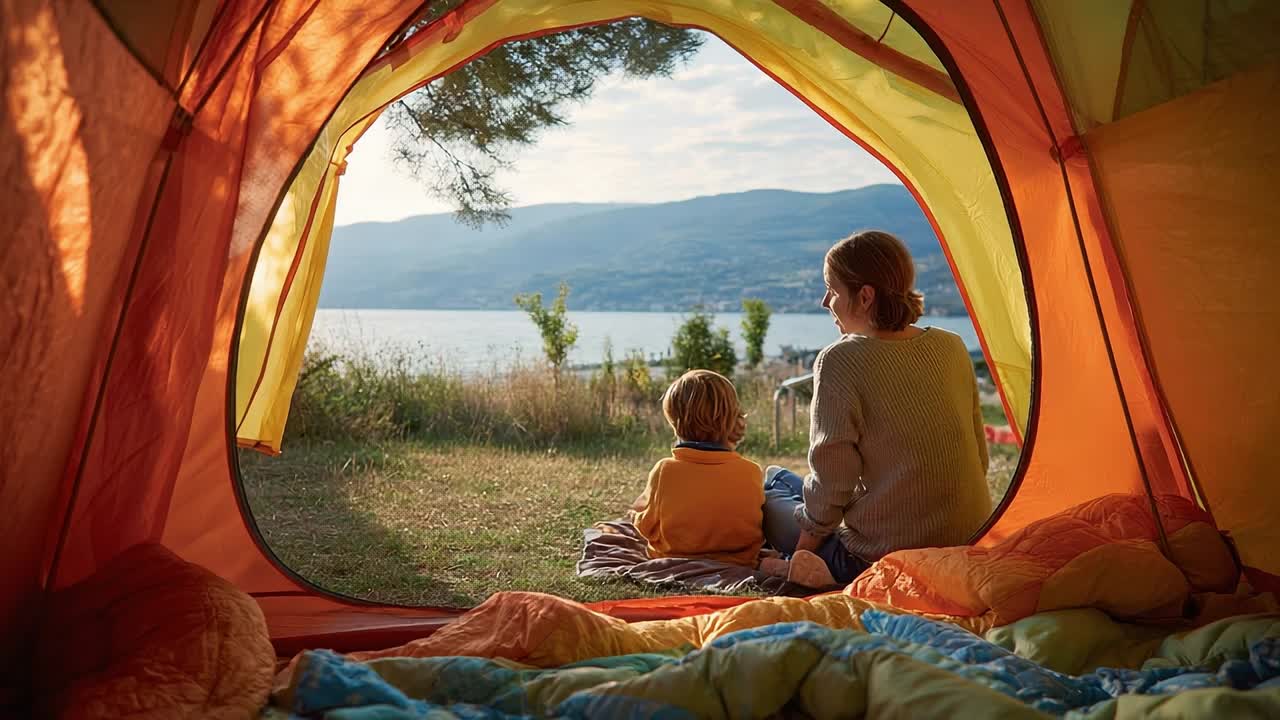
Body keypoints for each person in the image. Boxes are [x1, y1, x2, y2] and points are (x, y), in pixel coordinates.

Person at [762, 230, 991, 585]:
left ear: (865, 297)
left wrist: (802, 554)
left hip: (880, 558)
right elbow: (980, 455)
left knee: (771, 483)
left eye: (833, 290)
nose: (825, 302)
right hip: (966, 544)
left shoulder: (841, 360)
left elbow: (832, 479)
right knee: (789, 482)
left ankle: (819, 566)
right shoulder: (952, 346)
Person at [633, 369, 835, 587]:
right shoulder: (749, 471)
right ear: (731, 417)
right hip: (741, 560)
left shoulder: (664, 471)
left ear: (675, 420)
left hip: (676, 558)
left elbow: (646, 526)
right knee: (776, 480)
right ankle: (788, 564)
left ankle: (783, 565)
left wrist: (636, 516)